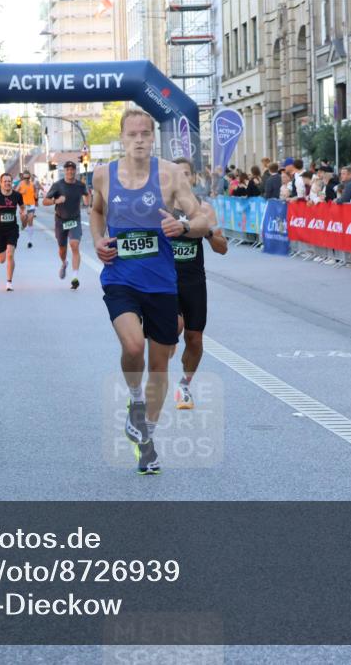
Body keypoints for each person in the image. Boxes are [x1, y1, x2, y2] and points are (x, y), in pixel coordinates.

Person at [89, 108, 210, 475]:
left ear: (152, 137)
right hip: (120, 277)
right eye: (132, 134)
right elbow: (96, 212)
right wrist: (97, 240)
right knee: (133, 346)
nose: (139, 139)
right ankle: (136, 402)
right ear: (123, 138)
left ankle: (147, 439)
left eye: (145, 133)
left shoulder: (171, 174)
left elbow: (204, 218)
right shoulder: (103, 175)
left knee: (159, 364)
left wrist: (184, 226)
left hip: (161, 282)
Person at [170, 158, 228, 409]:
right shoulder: (160, 208)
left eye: (186, 175)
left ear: (193, 179)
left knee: (194, 338)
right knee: (175, 327)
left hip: (193, 281)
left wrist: (206, 232)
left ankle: (184, 385)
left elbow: (222, 248)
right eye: (177, 175)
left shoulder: (203, 209)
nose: (182, 179)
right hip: (165, 281)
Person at [43, 161, 91, 290]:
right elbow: (45, 201)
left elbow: (87, 195)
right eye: (67, 169)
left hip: (75, 219)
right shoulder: (58, 185)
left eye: (72, 169)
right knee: (62, 249)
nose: (70, 172)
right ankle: (64, 263)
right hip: (60, 220)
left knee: (74, 245)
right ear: (64, 171)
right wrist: (56, 200)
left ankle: (75, 277)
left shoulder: (80, 185)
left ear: (75, 171)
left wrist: (88, 203)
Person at [0, 173, 25, 291]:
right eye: (5, 181)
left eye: (9, 181)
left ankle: (9, 282)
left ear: (11, 183)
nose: (7, 183)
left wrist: (23, 213)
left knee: (10, 254)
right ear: (1, 183)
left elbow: (22, 207)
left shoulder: (17, 195)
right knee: (2, 260)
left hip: (12, 229)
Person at [17, 171, 38, 248]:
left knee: (30, 221)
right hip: (23, 206)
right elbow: (15, 192)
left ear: (30, 177)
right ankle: (23, 225)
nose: (26, 179)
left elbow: (35, 193)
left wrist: (36, 196)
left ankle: (30, 240)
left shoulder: (33, 184)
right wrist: (22, 192)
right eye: (24, 178)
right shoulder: (21, 183)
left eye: (27, 178)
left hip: (31, 205)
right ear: (23, 177)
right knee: (24, 221)